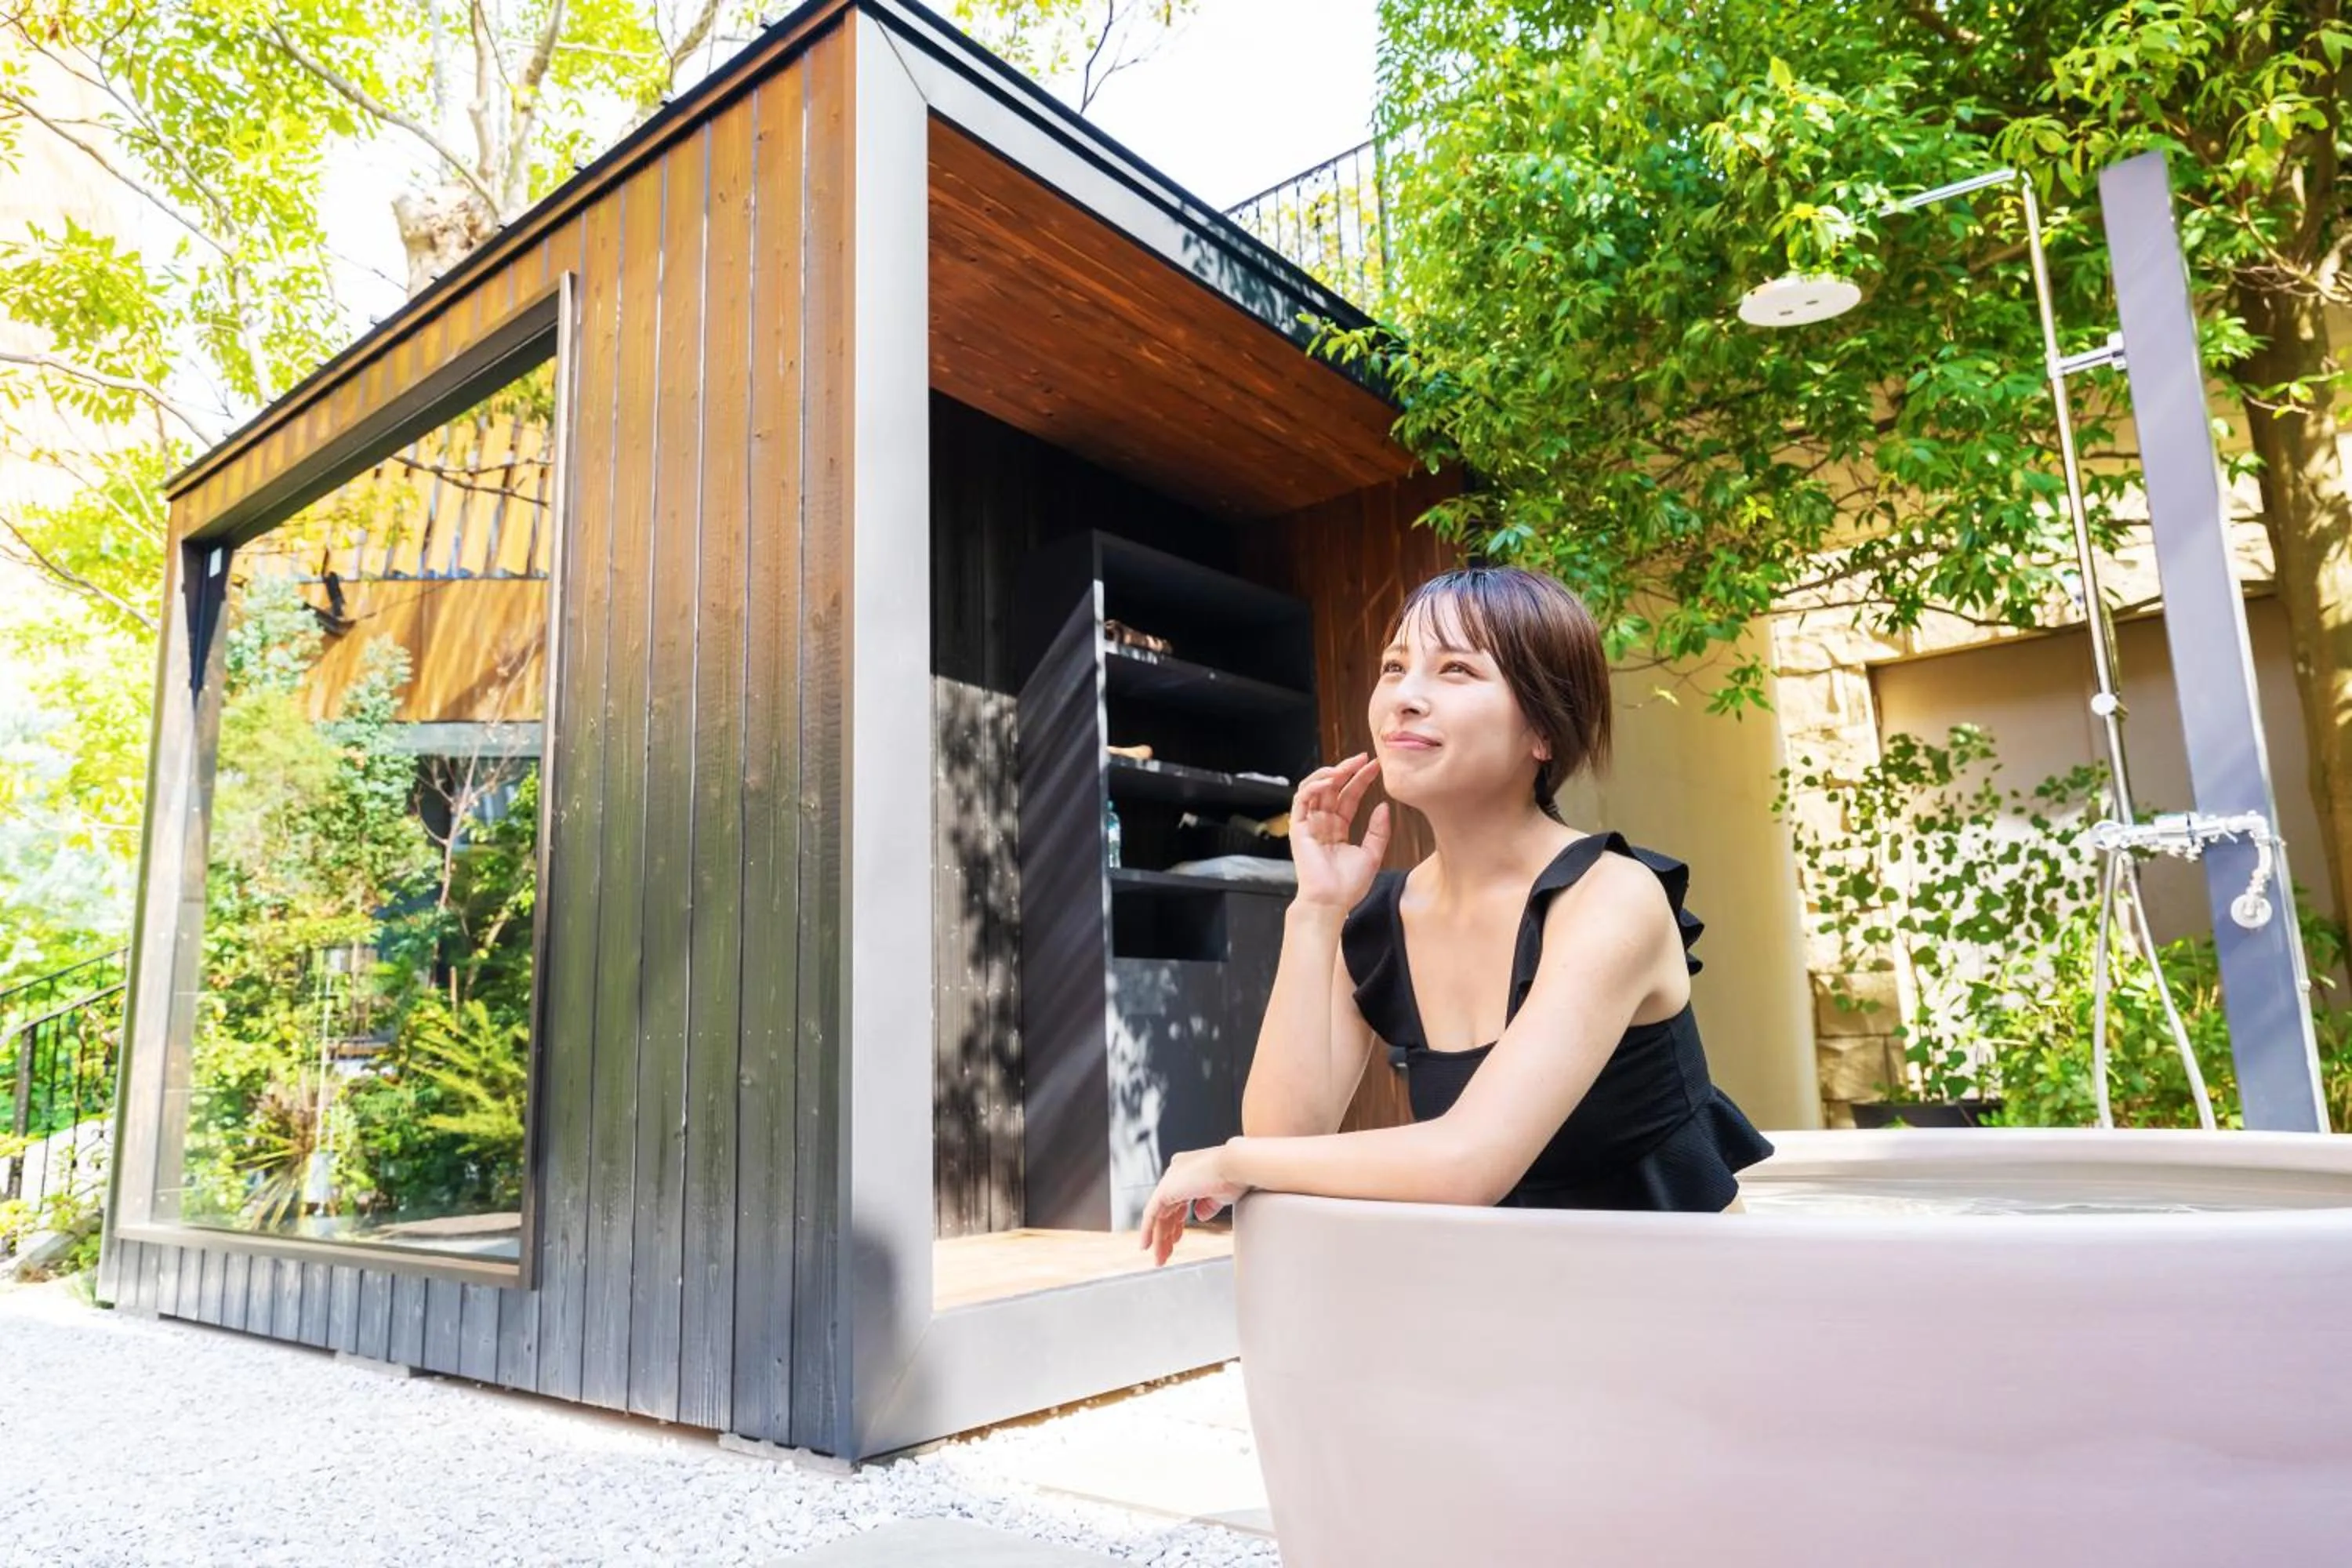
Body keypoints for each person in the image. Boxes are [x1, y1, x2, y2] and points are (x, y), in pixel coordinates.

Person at [1140, 565, 1773, 1266]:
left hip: (1682, 1301)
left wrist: (1229, 1159)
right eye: (1394, 666)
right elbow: (1284, 1137)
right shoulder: (1383, 921)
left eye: (1456, 671)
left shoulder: (1611, 897)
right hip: (1510, 1297)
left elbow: (1471, 1160)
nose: (1404, 698)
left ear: (1543, 730)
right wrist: (1316, 910)